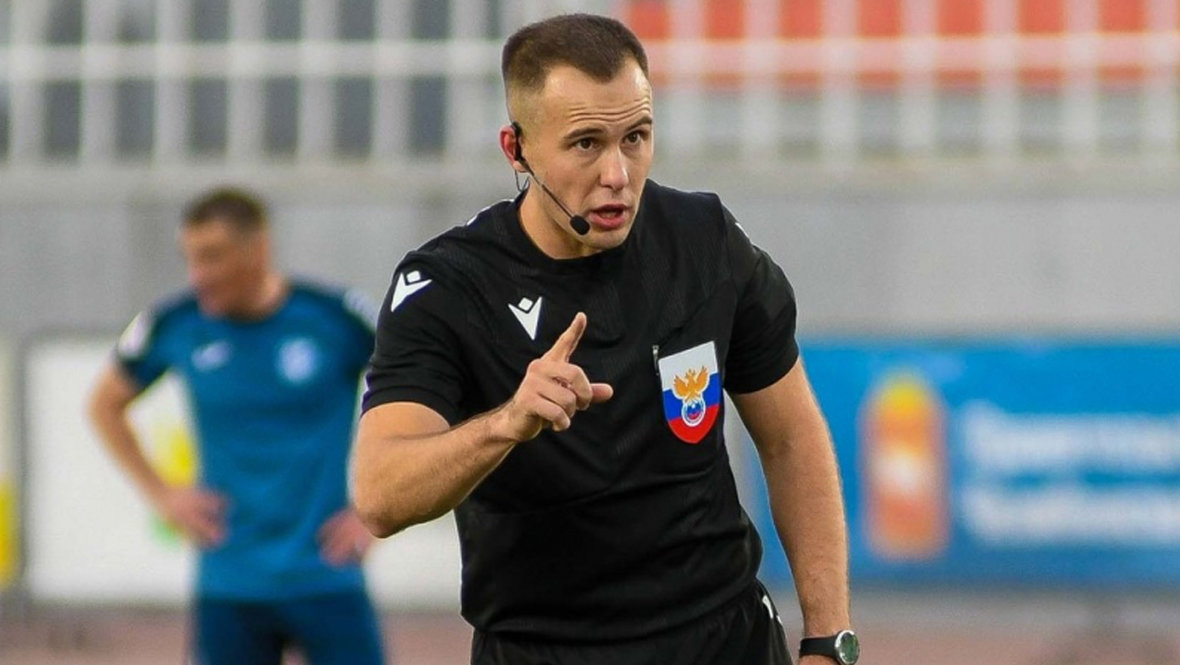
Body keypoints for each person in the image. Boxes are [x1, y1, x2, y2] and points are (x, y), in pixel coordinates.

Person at [354, 13, 856, 665]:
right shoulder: (448, 285)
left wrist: (830, 639)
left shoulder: (704, 240)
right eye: (586, 143)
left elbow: (791, 437)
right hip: (544, 649)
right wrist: (506, 423)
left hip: (721, 639)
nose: (617, 173)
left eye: (635, 137)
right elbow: (380, 496)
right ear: (516, 149)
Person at [88, 187, 386, 665]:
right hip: (229, 583)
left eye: (212, 256)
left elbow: (421, 387)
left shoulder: (335, 317)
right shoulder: (176, 324)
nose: (198, 274)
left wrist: (378, 511)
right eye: (191, 258)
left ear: (258, 249)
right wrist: (163, 495)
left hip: (327, 573)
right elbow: (104, 405)